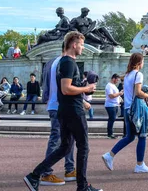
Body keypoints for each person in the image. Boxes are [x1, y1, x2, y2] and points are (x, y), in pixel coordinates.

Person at [23, 31, 101, 191]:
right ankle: (82, 186)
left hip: (66, 110)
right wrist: (86, 88)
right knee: (83, 147)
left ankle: (34, 175)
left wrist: (84, 89)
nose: (82, 47)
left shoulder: (63, 63)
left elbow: (68, 87)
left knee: (65, 147)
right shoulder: (68, 63)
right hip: (73, 111)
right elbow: (66, 89)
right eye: (81, 44)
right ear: (74, 44)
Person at [102, 53, 148, 174]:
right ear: (140, 62)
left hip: (127, 109)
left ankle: (110, 155)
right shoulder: (138, 74)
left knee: (130, 136)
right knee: (142, 136)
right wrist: (147, 96)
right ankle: (140, 164)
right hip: (137, 109)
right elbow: (138, 92)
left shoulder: (128, 75)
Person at [38, 45, 76, 186]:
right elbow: (65, 87)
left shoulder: (51, 62)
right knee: (56, 139)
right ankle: (46, 173)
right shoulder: (64, 62)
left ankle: (70, 169)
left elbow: (45, 83)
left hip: (54, 104)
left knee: (69, 139)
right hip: (60, 106)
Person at [105, 74, 123, 139]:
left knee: (112, 119)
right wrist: (119, 93)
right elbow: (111, 96)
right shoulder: (109, 86)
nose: (117, 81)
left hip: (114, 104)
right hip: (110, 105)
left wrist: (119, 97)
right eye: (117, 80)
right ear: (113, 79)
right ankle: (110, 133)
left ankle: (110, 133)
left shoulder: (113, 85)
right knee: (111, 119)